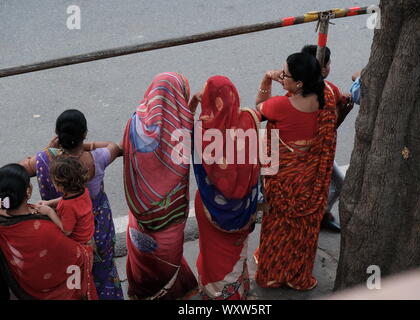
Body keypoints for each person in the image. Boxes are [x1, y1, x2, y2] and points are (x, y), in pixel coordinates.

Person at [19, 109, 124, 300]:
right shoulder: (96, 158)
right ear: (83, 134)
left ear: (58, 136)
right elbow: (114, 146)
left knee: (73, 278)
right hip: (97, 230)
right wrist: (87, 145)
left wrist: (46, 150)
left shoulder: (44, 161)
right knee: (103, 272)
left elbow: (19, 170)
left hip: (63, 238)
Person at [254, 52, 337, 290]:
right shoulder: (327, 99)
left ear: (299, 83)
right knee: (302, 234)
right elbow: (340, 96)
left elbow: (258, 108)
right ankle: (297, 277)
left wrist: (267, 79)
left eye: (285, 74)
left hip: (284, 183)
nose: (282, 77)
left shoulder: (280, 106)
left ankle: (273, 275)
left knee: (278, 231)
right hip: (313, 181)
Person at [122, 72, 198, 300]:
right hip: (170, 218)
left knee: (145, 257)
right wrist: (191, 105)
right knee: (165, 260)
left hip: (141, 214)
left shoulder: (134, 123)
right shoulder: (182, 128)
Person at [192, 75, 260, 300]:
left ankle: (215, 292)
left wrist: (193, 102)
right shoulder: (250, 119)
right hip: (243, 208)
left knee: (212, 253)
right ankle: (236, 291)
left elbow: (182, 132)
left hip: (212, 208)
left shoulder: (201, 131)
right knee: (237, 251)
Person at [0, 163, 97, 300]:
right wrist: (88, 248)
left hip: (22, 287)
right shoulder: (45, 230)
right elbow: (78, 255)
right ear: (28, 191)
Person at [301, 45, 355, 232]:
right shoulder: (328, 92)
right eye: (329, 63)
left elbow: (330, 127)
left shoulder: (329, 91)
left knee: (338, 184)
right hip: (309, 158)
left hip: (320, 155)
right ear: (323, 69)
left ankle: (322, 214)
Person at [36, 156, 95, 246]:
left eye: (54, 183)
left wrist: (49, 211)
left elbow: (66, 231)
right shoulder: (83, 190)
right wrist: (49, 202)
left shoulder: (67, 206)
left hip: (77, 243)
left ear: (61, 186)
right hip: (87, 234)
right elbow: (70, 201)